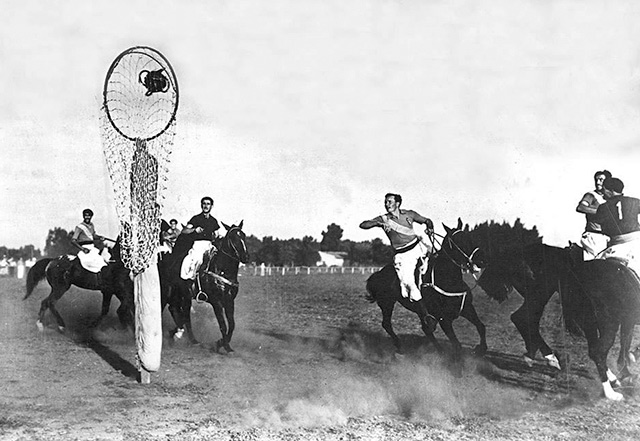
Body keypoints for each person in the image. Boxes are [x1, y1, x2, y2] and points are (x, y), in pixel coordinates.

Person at [360, 193, 434, 302]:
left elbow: (427, 221)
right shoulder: (384, 219)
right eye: (385, 202)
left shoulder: (410, 214)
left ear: (397, 203)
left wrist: (430, 228)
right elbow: (363, 225)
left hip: (419, 248)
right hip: (403, 255)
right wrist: (378, 223)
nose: (386, 204)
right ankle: (424, 313)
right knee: (409, 283)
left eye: (389, 202)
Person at [594, 177, 640, 277]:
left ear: (610, 191)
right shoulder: (636, 201)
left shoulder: (603, 207)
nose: (603, 193)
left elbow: (604, 229)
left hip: (617, 246)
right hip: (637, 244)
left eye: (604, 190)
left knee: (597, 272)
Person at [180, 197, 220, 280]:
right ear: (201, 205)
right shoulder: (196, 218)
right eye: (204, 203)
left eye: (208, 204)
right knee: (197, 260)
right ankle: (193, 281)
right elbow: (184, 230)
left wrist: (215, 235)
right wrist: (194, 229)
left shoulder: (213, 221)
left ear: (211, 206)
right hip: (198, 245)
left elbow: (216, 234)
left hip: (209, 245)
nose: (206, 206)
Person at [576, 170, 611, 260]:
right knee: (594, 266)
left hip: (608, 237)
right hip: (594, 236)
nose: (598, 182)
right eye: (596, 180)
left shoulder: (610, 198)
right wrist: (600, 211)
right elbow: (581, 207)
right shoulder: (591, 195)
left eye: (601, 180)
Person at [70, 208, 108, 273]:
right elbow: (73, 240)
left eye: (89, 216)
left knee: (102, 263)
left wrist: (100, 237)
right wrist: (82, 249)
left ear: (91, 217)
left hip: (92, 248)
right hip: (84, 249)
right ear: (83, 216)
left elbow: (93, 236)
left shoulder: (91, 225)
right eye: (86, 215)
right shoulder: (79, 227)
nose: (87, 217)